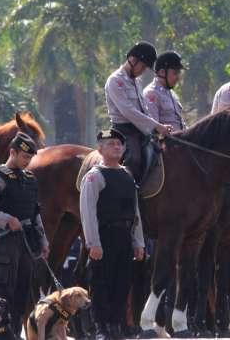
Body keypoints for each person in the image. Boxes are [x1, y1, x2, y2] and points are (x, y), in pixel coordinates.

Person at [0, 132, 50, 335]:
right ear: (12, 152)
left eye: (30, 158)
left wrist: (43, 241)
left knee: (23, 292)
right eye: (25, 157)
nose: (28, 162)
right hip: (5, 243)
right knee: (2, 293)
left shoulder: (29, 179)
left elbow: (35, 214)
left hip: (27, 243)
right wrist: (7, 220)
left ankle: (14, 333)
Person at [78, 129, 145, 340]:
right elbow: (87, 212)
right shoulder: (94, 176)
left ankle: (116, 325)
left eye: (119, 143)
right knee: (101, 283)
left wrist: (138, 242)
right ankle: (101, 328)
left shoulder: (127, 175)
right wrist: (93, 243)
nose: (116, 147)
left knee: (122, 283)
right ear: (100, 148)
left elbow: (135, 213)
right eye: (111, 144)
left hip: (124, 236)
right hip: (104, 236)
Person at [104, 41, 172, 182]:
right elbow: (129, 112)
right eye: (143, 66)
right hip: (123, 131)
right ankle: (128, 196)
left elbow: (143, 109)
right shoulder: (115, 81)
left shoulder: (136, 81)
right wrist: (155, 125)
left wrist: (157, 128)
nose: (143, 70)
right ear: (133, 60)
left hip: (140, 130)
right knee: (134, 159)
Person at [143, 51, 187, 131]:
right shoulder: (151, 94)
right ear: (162, 72)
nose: (178, 77)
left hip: (180, 140)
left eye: (179, 73)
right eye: (175, 73)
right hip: (165, 142)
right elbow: (152, 129)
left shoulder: (172, 94)